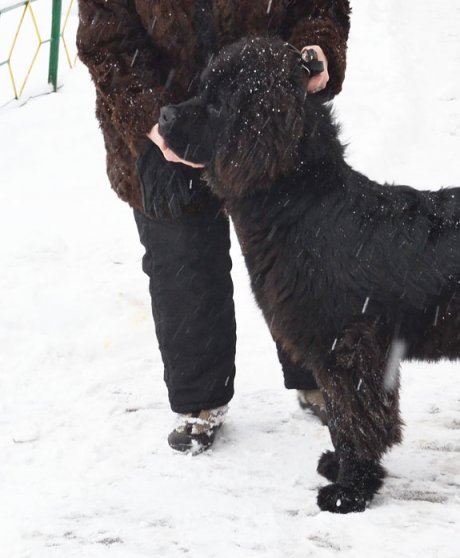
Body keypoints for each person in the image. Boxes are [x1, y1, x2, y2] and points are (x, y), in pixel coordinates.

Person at [76, 1, 351, 453]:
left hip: (269, 125)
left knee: (299, 251)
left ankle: (318, 374)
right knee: (182, 264)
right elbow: (107, 43)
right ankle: (200, 404)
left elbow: (319, 6)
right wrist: (154, 120)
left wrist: (316, 48)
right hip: (166, 126)